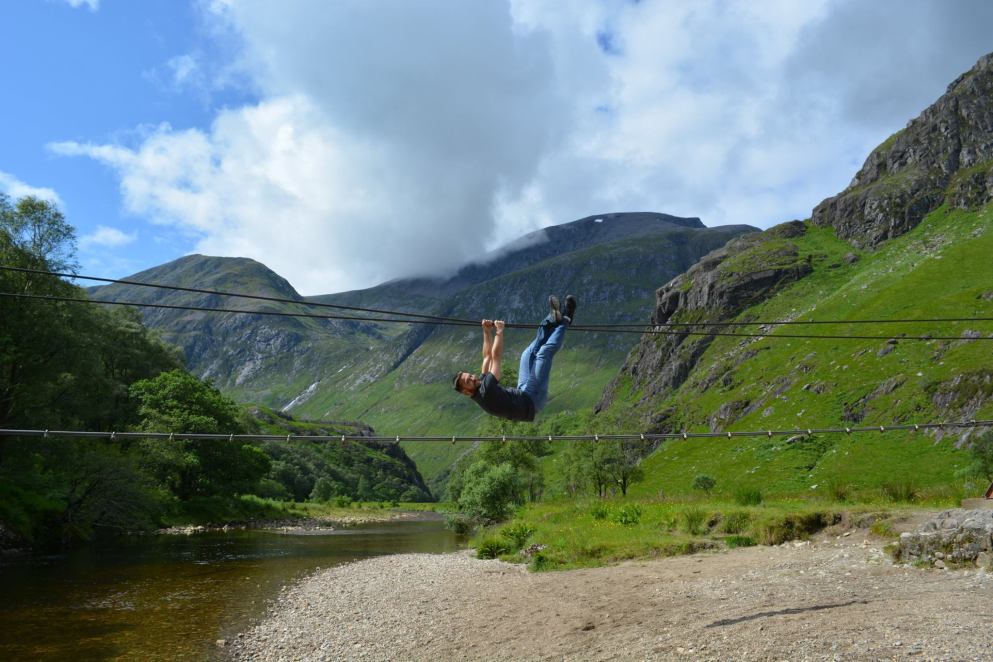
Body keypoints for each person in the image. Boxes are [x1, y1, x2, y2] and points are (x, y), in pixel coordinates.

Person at [453, 295, 577, 421]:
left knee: (527, 354)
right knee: (543, 354)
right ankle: (566, 319)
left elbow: (487, 357)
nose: (473, 378)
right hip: (532, 401)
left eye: (470, 376)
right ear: (467, 392)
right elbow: (496, 357)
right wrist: (499, 332)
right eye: (469, 381)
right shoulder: (486, 392)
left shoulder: (479, 385)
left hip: (522, 392)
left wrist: (486, 332)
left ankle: (552, 318)